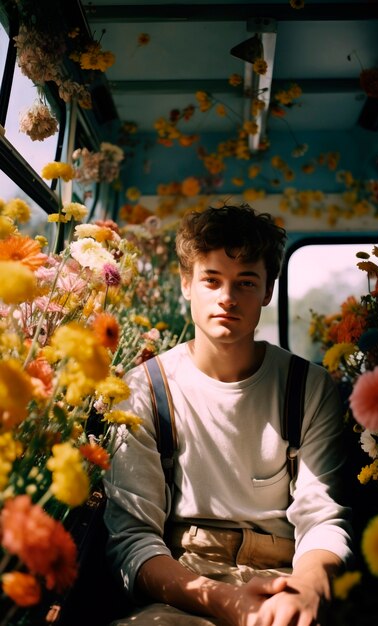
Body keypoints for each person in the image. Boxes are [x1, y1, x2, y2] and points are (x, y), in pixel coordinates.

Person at [103, 204, 353, 626]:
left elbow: (322, 519)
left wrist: (307, 590)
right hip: (184, 580)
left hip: (288, 573)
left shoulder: (308, 388)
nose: (227, 298)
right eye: (211, 280)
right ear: (186, 284)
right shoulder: (145, 389)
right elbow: (133, 539)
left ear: (268, 292)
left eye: (246, 282)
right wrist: (226, 601)